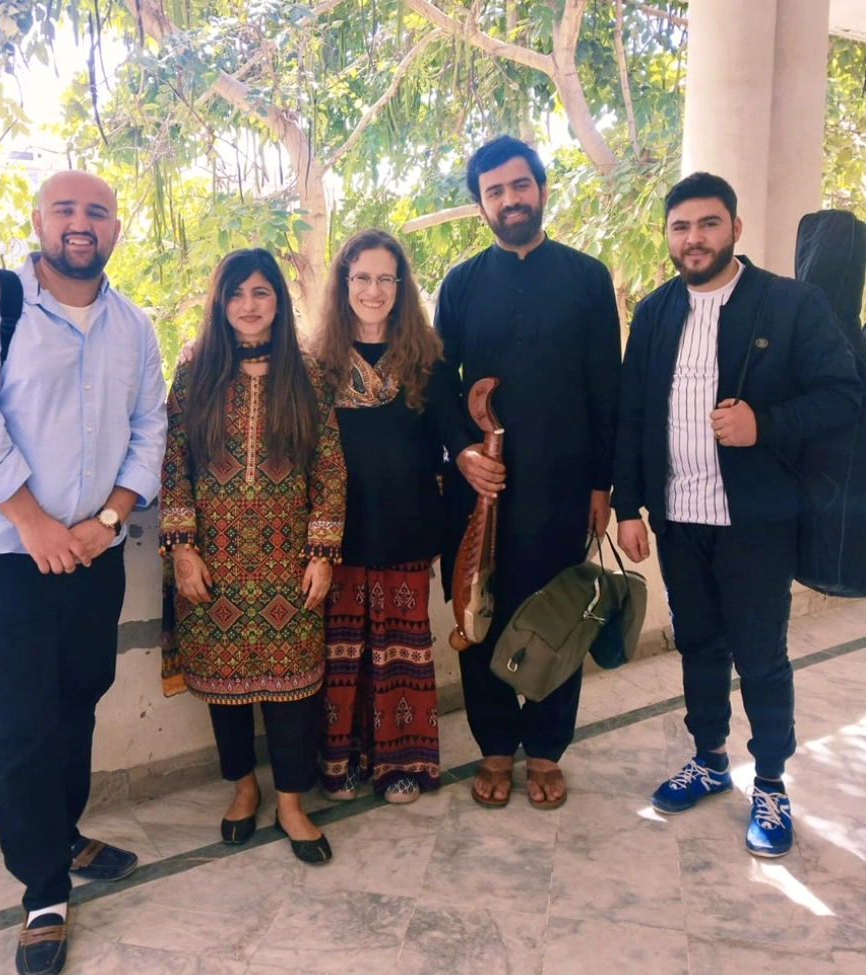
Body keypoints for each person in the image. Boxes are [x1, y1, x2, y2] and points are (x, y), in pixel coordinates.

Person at [0, 171, 167, 975]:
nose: (81, 223)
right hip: (7, 561)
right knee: (20, 725)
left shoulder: (134, 326)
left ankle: (64, 831)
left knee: (80, 700)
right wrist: (34, 525)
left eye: (97, 211)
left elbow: (151, 428)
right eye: (65, 210)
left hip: (92, 558)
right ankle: (42, 888)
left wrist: (103, 523)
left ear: (115, 227)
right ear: (38, 220)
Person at [613, 172, 863, 857]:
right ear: (668, 237)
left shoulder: (790, 305)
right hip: (679, 519)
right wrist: (629, 505)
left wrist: (766, 424)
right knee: (698, 644)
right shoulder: (657, 312)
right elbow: (633, 415)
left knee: (759, 654)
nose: (694, 239)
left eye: (708, 223)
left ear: (735, 229)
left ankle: (773, 782)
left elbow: (844, 396)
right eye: (681, 227)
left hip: (755, 519)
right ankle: (709, 758)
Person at [434, 135, 622, 809]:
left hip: (563, 485)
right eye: (494, 191)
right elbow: (434, 381)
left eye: (519, 185)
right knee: (476, 611)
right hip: (478, 491)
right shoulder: (459, 284)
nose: (509, 199)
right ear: (480, 205)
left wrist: (603, 485)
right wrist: (462, 452)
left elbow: (608, 387)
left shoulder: (586, 277)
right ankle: (492, 746)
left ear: (540, 189)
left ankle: (545, 748)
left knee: (557, 614)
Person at [160, 248, 345, 865]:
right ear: (220, 302)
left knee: (293, 691)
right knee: (226, 690)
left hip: (290, 563)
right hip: (212, 564)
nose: (248, 305)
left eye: (261, 292)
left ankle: (291, 803)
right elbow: (173, 463)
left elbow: (329, 467)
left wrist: (322, 553)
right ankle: (244, 788)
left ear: (279, 301)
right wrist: (183, 549)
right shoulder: (194, 374)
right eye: (236, 293)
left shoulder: (309, 375)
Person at [314, 228, 470, 804]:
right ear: (343, 284)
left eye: (385, 278)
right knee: (341, 654)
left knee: (401, 652)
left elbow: (450, 435)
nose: (373, 290)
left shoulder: (426, 356)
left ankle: (401, 763)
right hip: (338, 531)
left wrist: (480, 456)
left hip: (408, 524)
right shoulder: (316, 362)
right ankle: (341, 763)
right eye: (361, 278)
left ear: (401, 286)